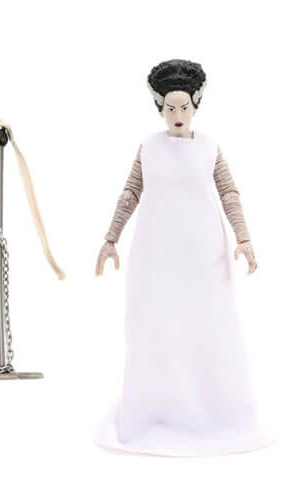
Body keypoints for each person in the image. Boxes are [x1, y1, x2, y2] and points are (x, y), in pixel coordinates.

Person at [95, 59, 271, 456]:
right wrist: (110, 239)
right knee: (157, 328)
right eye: (170, 107)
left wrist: (243, 238)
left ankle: (211, 407)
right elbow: (130, 193)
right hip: (155, 256)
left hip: (204, 256)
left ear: (195, 105)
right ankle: (159, 405)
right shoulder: (148, 148)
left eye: (184, 107)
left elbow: (229, 192)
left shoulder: (210, 148)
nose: (178, 114)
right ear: (160, 107)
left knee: (206, 327)